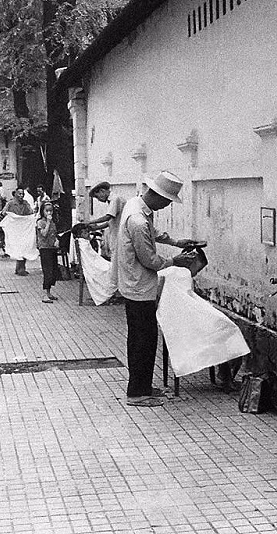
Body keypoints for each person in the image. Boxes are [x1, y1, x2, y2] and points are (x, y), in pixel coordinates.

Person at [116, 171, 197, 407]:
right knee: (144, 340)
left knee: (141, 339)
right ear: (157, 195)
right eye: (167, 201)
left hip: (134, 284)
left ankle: (142, 386)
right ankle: (137, 393)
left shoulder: (136, 205)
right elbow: (150, 260)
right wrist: (175, 261)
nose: (167, 206)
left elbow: (151, 233)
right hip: (138, 287)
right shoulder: (138, 220)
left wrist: (175, 242)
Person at [86, 181, 127, 261]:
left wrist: (90, 222)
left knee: (119, 260)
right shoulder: (112, 201)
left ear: (102, 191)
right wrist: (96, 228)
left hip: (121, 235)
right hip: (116, 235)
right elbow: (110, 222)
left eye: (97, 197)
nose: (98, 200)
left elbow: (108, 217)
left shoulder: (115, 199)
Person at [3, 186, 34, 276]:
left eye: (22, 194)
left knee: (24, 248)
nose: (21, 195)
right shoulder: (10, 204)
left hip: (24, 229)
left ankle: (21, 268)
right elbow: (4, 212)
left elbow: (30, 213)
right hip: (15, 230)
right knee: (18, 248)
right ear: (15, 194)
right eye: (19, 194)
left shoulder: (25, 203)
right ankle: (20, 269)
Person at [36, 201, 59, 303]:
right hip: (44, 248)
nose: (49, 213)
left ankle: (49, 292)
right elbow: (44, 234)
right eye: (47, 211)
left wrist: (56, 240)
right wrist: (48, 222)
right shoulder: (40, 222)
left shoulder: (53, 222)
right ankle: (44, 294)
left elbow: (54, 233)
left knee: (53, 270)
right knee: (47, 270)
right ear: (43, 211)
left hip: (52, 247)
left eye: (51, 211)